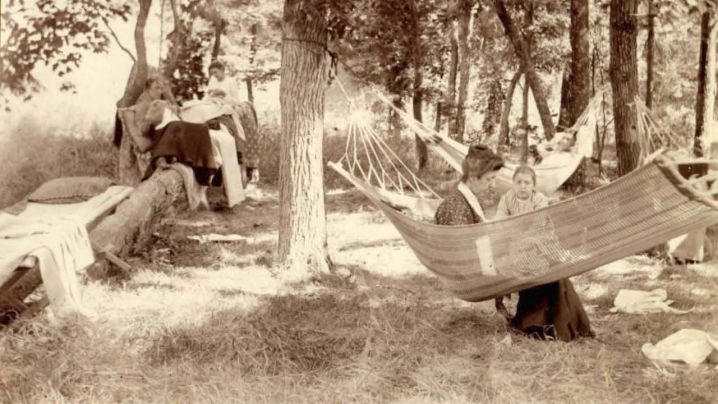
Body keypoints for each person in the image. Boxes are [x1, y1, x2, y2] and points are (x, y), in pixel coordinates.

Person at [495, 165, 593, 342]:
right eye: (518, 182)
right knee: (513, 264)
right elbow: (500, 222)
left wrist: (519, 230)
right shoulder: (507, 198)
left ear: (533, 185)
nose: (523, 186)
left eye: (527, 182)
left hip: (540, 243)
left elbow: (538, 225)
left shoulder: (539, 199)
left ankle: (552, 321)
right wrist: (513, 232)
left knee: (545, 270)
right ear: (513, 184)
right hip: (516, 244)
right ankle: (531, 319)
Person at [435, 144, 505, 226]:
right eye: (489, 179)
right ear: (472, 176)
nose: (493, 185)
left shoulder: (467, 200)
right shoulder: (456, 208)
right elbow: (460, 238)